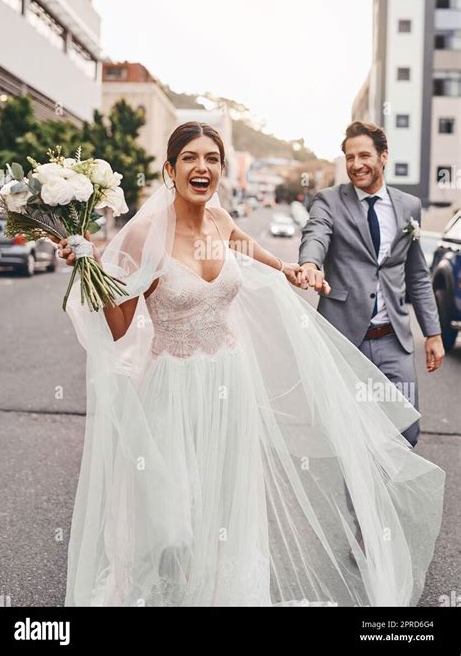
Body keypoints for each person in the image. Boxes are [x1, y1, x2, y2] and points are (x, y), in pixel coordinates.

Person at [58, 122, 445, 607]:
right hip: (174, 390)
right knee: (172, 522)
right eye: (191, 159)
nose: (203, 168)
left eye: (213, 159)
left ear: (221, 168)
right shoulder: (143, 234)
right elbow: (119, 328)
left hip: (229, 383)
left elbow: (250, 249)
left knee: (224, 511)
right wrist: (87, 266)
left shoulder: (220, 222)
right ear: (170, 169)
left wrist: (293, 269)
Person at [298, 120, 444, 449]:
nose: (356, 165)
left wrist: (433, 332)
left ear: (384, 156)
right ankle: (359, 502)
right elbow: (316, 234)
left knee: (405, 430)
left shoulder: (409, 207)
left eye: (364, 155)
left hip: (393, 338)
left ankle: (383, 497)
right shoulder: (329, 200)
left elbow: (417, 273)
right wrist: (310, 262)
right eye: (349, 158)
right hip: (346, 337)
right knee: (350, 435)